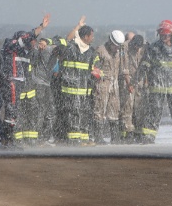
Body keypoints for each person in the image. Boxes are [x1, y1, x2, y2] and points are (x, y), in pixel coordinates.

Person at [136, 20, 172, 145]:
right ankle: (148, 136)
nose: (164, 38)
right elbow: (146, 62)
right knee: (154, 110)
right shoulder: (154, 47)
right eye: (162, 35)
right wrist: (142, 72)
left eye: (166, 35)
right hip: (157, 86)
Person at [0, 15, 50, 146]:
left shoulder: (27, 52)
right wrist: (41, 27)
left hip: (19, 84)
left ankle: (8, 139)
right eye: (30, 41)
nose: (32, 44)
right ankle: (8, 140)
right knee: (11, 111)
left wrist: (45, 41)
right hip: (12, 81)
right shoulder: (12, 45)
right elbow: (27, 37)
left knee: (14, 112)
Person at [58, 16, 101, 145]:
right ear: (86, 36)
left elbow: (98, 68)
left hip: (85, 91)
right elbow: (66, 39)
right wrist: (78, 26)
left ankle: (84, 137)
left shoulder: (92, 53)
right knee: (73, 113)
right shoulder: (71, 48)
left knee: (85, 113)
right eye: (91, 36)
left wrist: (97, 73)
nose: (93, 38)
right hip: (70, 90)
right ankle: (74, 139)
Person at [91, 30, 126, 144]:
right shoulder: (100, 50)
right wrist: (99, 77)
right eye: (116, 46)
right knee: (99, 109)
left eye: (119, 47)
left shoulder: (119, 52)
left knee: (114, 110)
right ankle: (98, 137)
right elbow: (93, 67)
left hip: (114, 84)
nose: (117, 49)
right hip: (102, 84)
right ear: (110, 42)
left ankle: (115, 138)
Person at [119, 34, 146, 143]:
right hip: (128, 79)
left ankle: (138, 131)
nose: (137, 49)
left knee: (139, 106)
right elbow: (123, 66)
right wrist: (129, 83)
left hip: (139, 80)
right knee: (127, 106)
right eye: (135, 46)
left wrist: (145, 80)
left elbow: (145, 64)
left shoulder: (144, 48)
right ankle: (127, 131)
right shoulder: (124, 47)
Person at [30, 37, 57, 142]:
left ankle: (43, 136)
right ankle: (38, 136)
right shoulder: (41, 52)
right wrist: (40, 46)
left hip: (45, 84)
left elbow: (56, 46)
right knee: (41, 110)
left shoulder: (49, 52)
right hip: (39, 84)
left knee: (48, 110)